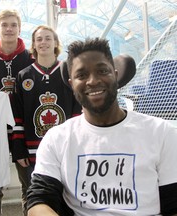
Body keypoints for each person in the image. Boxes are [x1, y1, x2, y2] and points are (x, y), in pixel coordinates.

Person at [26, 38, 177, 215]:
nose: (93, 81)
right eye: (81, 75)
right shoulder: (57, 138)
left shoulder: (162, 133)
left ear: (115, 74)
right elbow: (39, 200)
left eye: (102, 71)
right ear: (71, 84)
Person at [11, 25, 81, 214]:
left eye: (48, 38)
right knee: (33, 193)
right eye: (39, 39)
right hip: (33, 148)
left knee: (69, 192)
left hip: (66, 145)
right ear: (33, 44)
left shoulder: (69, 72)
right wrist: (18, 146)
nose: (43, 42)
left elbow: (77, 108)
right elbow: (17, 114)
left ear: (56, 43)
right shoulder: (24, 76)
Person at [0, 9, 34, 215]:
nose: (9, 29)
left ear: (19, 29)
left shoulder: (31, 58)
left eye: (13, 25)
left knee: (30, 184)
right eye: (4, 25)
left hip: (22, 129)